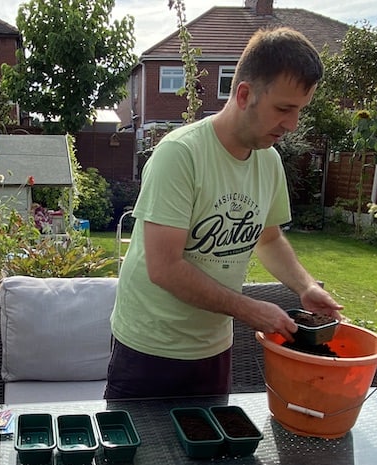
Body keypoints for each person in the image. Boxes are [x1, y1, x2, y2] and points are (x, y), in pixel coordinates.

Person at [104, 27, 343, 400]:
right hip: (149, 349)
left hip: (213, 350)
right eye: (284, 108)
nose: (293, 124)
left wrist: (305, 286)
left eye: (299, 110)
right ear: (244, 94)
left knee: (211, 456)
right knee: (138, 458)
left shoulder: (269, 162)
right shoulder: (180, 155)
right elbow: (163, 267)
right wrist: (249, 309)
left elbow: (269, 237)